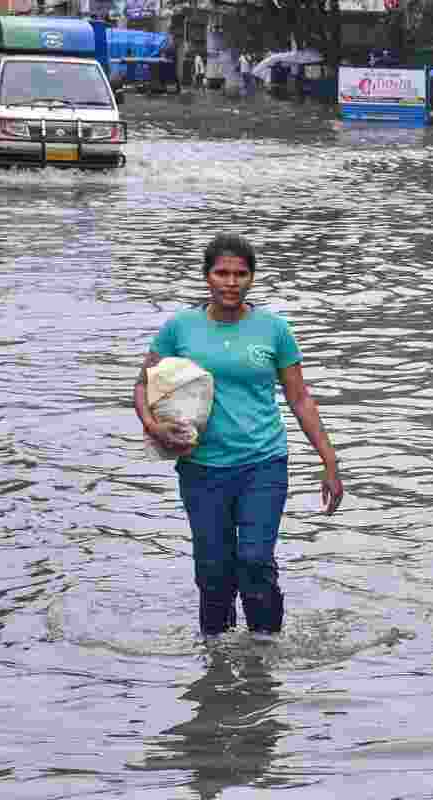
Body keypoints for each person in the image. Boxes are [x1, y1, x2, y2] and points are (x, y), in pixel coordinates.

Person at [135, 234, 345, 641]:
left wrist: (330, 463)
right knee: (212, 569)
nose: (230, 282)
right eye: (221, 273)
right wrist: (152, 425)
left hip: (262, 464)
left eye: (240, 274)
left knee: (253, 559)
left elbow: (300, 398)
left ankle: (266, 648)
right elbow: (142, 384)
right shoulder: (181, 327)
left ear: (251, 278)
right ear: (206, 276)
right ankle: (215, 658)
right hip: (201, 467)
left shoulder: (273, 329)